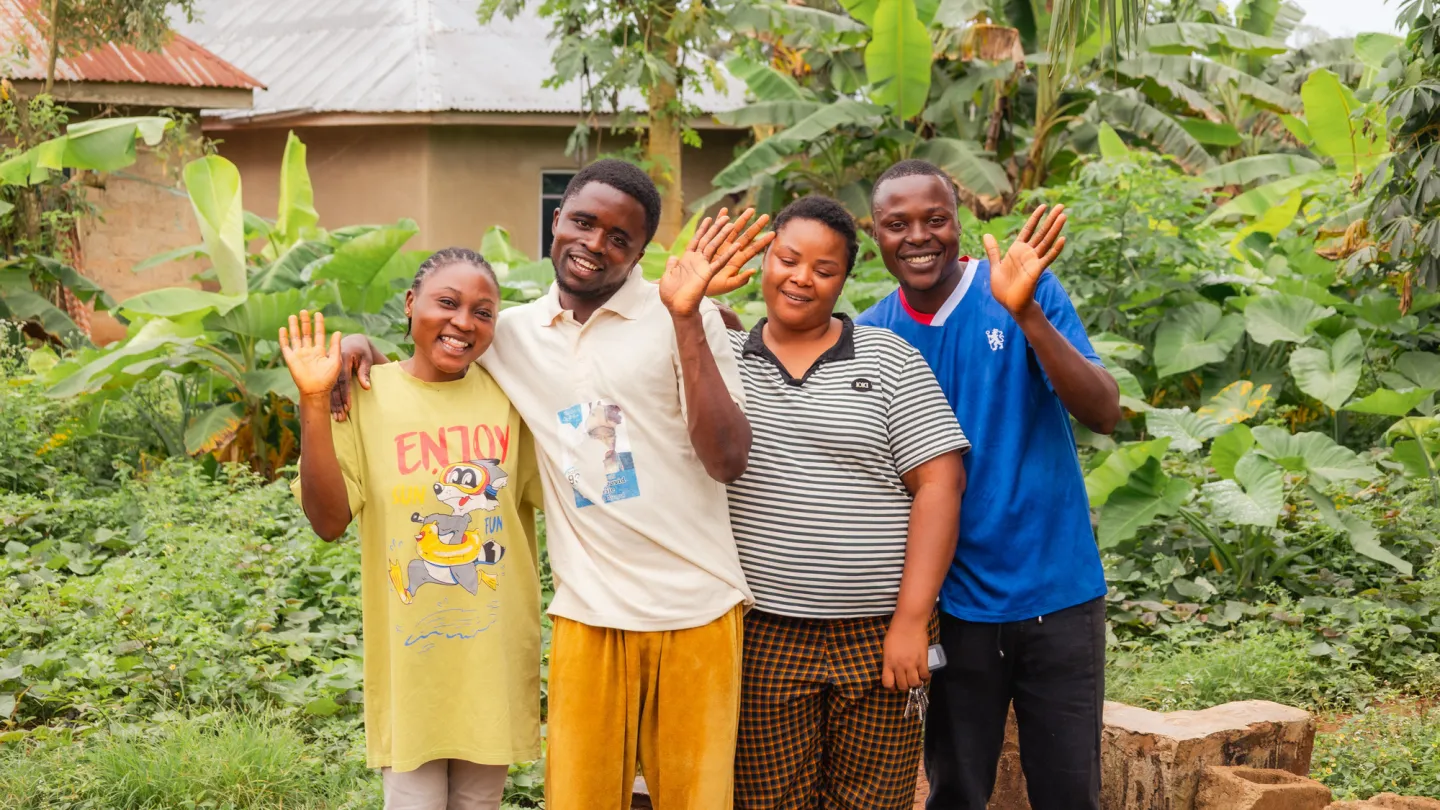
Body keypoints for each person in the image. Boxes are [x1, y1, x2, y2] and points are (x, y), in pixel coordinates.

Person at [330, 159, 775, 810]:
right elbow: (434, 354)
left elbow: (729, 459)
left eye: (619, 237)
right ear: (557, 220)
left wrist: (685, 318)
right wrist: (355, 344)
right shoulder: (509, 335)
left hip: (697, 608)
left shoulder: (685, 313)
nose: (595, 244)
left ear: (641, 251)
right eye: (584, 223)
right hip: (586, 614)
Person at [857, 160, 1121, 810]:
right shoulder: (869, 335)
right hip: (953, 612)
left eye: (934, 219)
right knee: (956, 791)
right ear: (875, 236)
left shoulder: (1020, 289)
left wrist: (1028, 313)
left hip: (1056, 594)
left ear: (959, 223)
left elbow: (1104, 410)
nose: (919, 236)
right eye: (898, 224)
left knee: (1068, 794)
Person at [722, 196, 969, 809]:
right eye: (788, 259)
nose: (801, 278)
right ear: (764, 260)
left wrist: (912, 620)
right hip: (762, 633)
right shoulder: (722, 362)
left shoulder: (889, 358)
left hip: (882, 633)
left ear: (843, 281)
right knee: (766, 801)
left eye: (824, 269)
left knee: (875, 802)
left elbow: (940, 484)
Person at [283, 248, 545, 810]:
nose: (463, 322)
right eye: (447, 303)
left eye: (483, 312)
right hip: (411, 668)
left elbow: (580, 489)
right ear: (410, 304)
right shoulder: (366, 393)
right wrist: (311, 400)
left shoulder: (513, 401)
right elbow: (328, 521)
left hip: (491, 661)